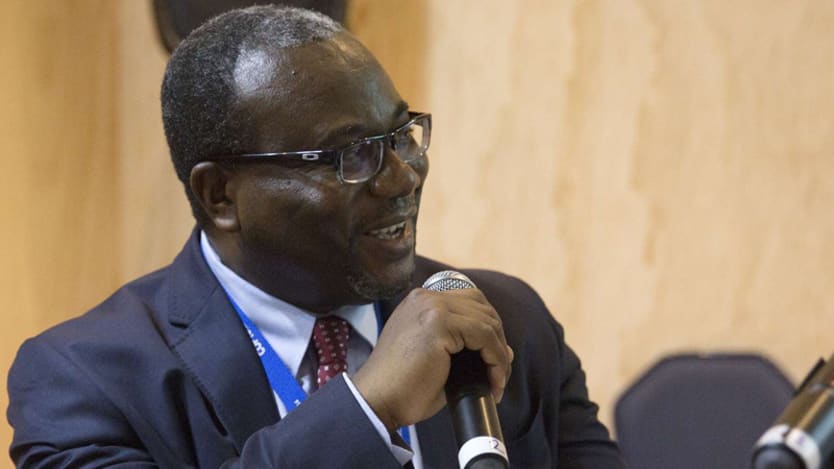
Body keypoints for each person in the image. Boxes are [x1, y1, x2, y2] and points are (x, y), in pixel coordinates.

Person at [7, 6, 625, 468]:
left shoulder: (503, 323)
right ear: (220, 195)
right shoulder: (85, 379)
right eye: (351, 154)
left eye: (402, 135)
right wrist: (368, 407)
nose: (404, 176)